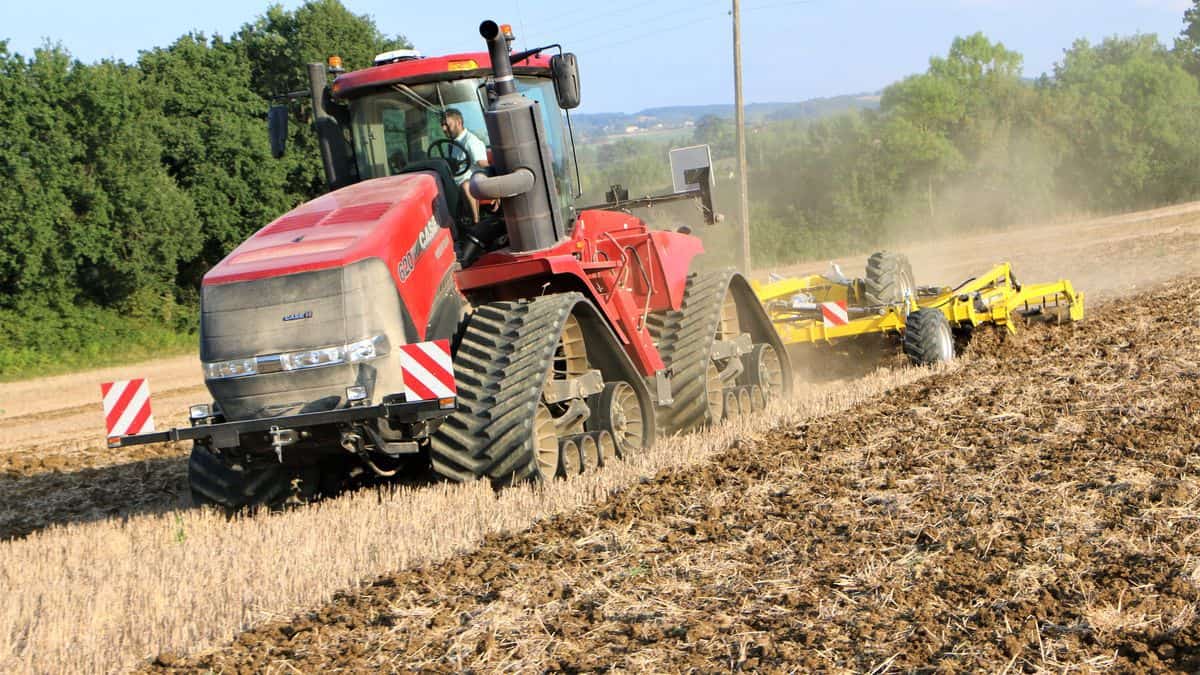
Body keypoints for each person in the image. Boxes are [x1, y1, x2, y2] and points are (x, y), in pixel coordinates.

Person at [440, 108, 489, 221]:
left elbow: (484, 165)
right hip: (453, 184)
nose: (443, 129)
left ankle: (476, 221)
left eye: (447, 125)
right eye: (442, 125)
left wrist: (495, 192)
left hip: (471, 185)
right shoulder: (451, 144)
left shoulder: (471, 141)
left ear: (459, 123)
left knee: (465, 185)